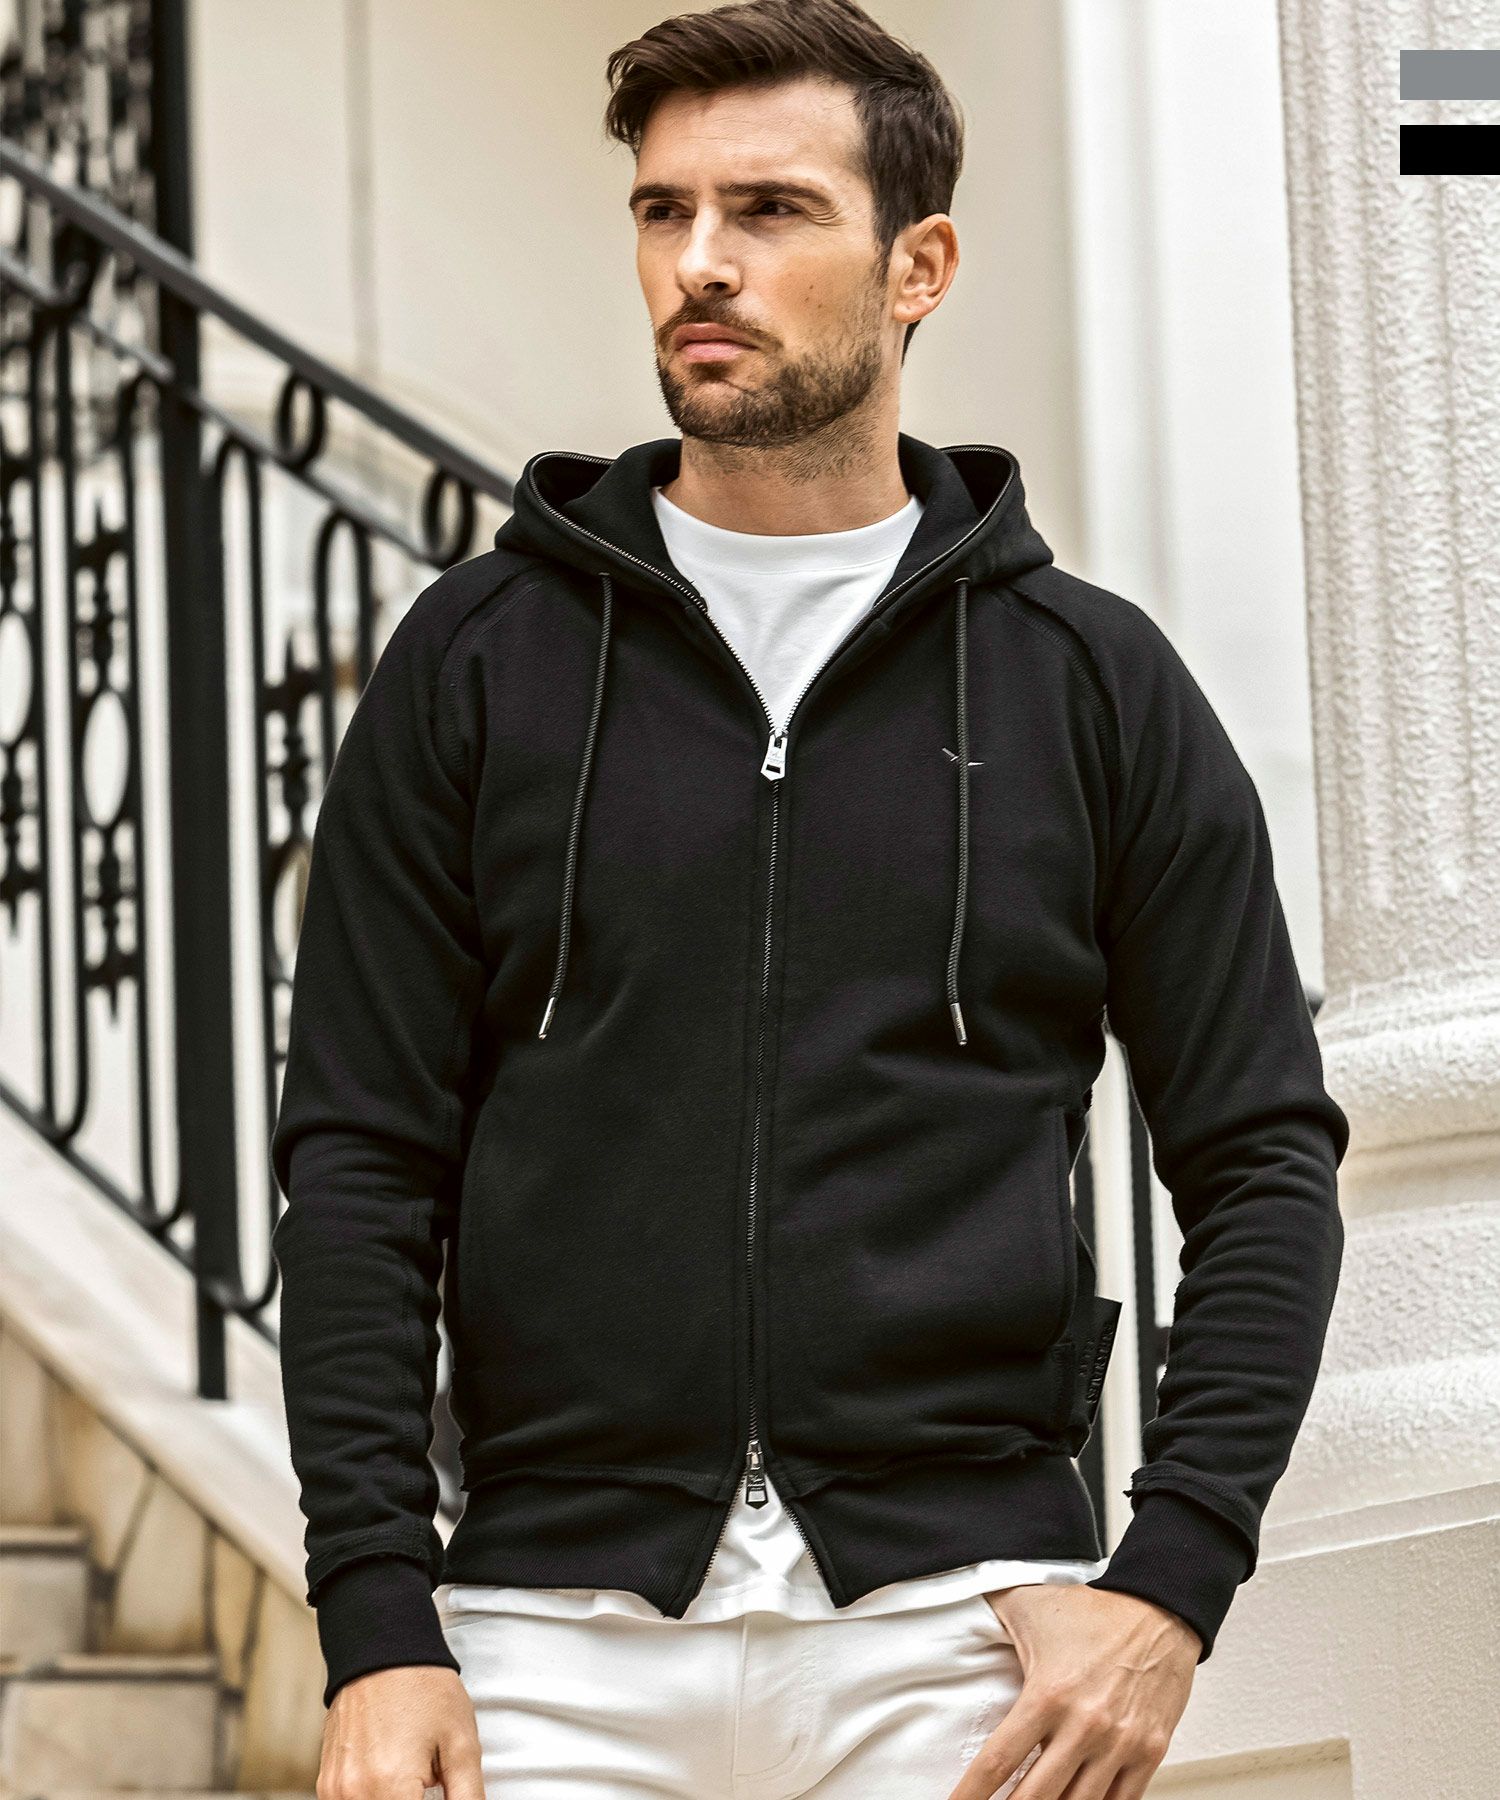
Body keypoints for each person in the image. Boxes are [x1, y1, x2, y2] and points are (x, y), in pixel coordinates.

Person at [268, 3, 1349, 1796]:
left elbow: (1262, 1159)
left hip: (960, 1636)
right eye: (664, 209)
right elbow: (362, 1161)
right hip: (546, 1636)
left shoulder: (1088, 684)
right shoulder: (478, 662)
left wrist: (1170, 1585)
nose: (700, 262)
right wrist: (378, 1621)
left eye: (769, 210)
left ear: (919, 265)